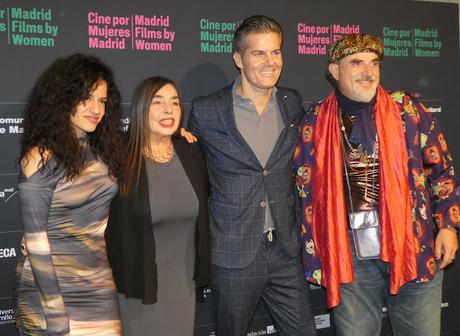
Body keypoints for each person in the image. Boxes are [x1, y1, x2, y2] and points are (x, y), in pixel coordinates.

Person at [293, 33, 459, 335]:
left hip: (414, 244)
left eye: (374, 63)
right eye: (356, 63)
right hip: (350, 258)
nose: (368, 72)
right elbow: (305, 191)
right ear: (334, 71)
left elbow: (442, 171)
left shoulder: (407, 110)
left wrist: (447, 225)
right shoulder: (315, 121)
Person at [188, 15, 316, 336]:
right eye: (259, 53)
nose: (270, 62)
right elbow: (190, 174)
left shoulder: (292, 103)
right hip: (233, 251)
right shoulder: (206, 110)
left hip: (285, 250)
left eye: (275, 52)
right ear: (238, 59)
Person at [14, 54, 125, 335]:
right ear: (64, 98)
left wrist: (179, 134)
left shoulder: (101, 152)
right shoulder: (40, 157)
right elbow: (36, 240)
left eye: (102, 101)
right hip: (49, 291)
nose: (95, 108)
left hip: (98, 285)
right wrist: (54, 313)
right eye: (87, 98)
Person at [105, 76, 210, 335]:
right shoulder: (118, 156)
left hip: (184, 285)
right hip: (138, 288)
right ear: (141, 109)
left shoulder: (190, 151)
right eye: (158, 102)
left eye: (175, 103)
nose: (168, 110)